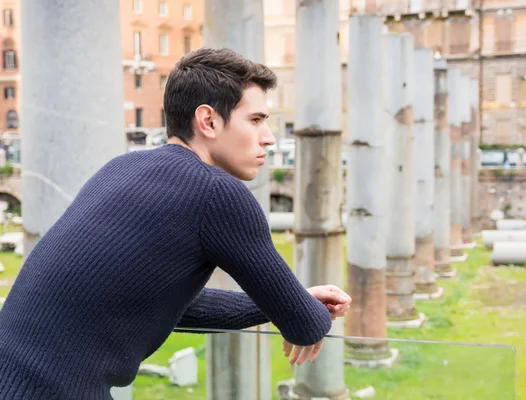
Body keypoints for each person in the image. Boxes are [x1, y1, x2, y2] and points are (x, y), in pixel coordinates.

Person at [0, 47, 352, 400]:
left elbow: (160, 300)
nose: (270, 137)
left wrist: (286, 303)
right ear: (209, 121)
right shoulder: (217, 193)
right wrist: (296, 310)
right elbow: (307, 326)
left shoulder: (121, 168)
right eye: (256, 120)